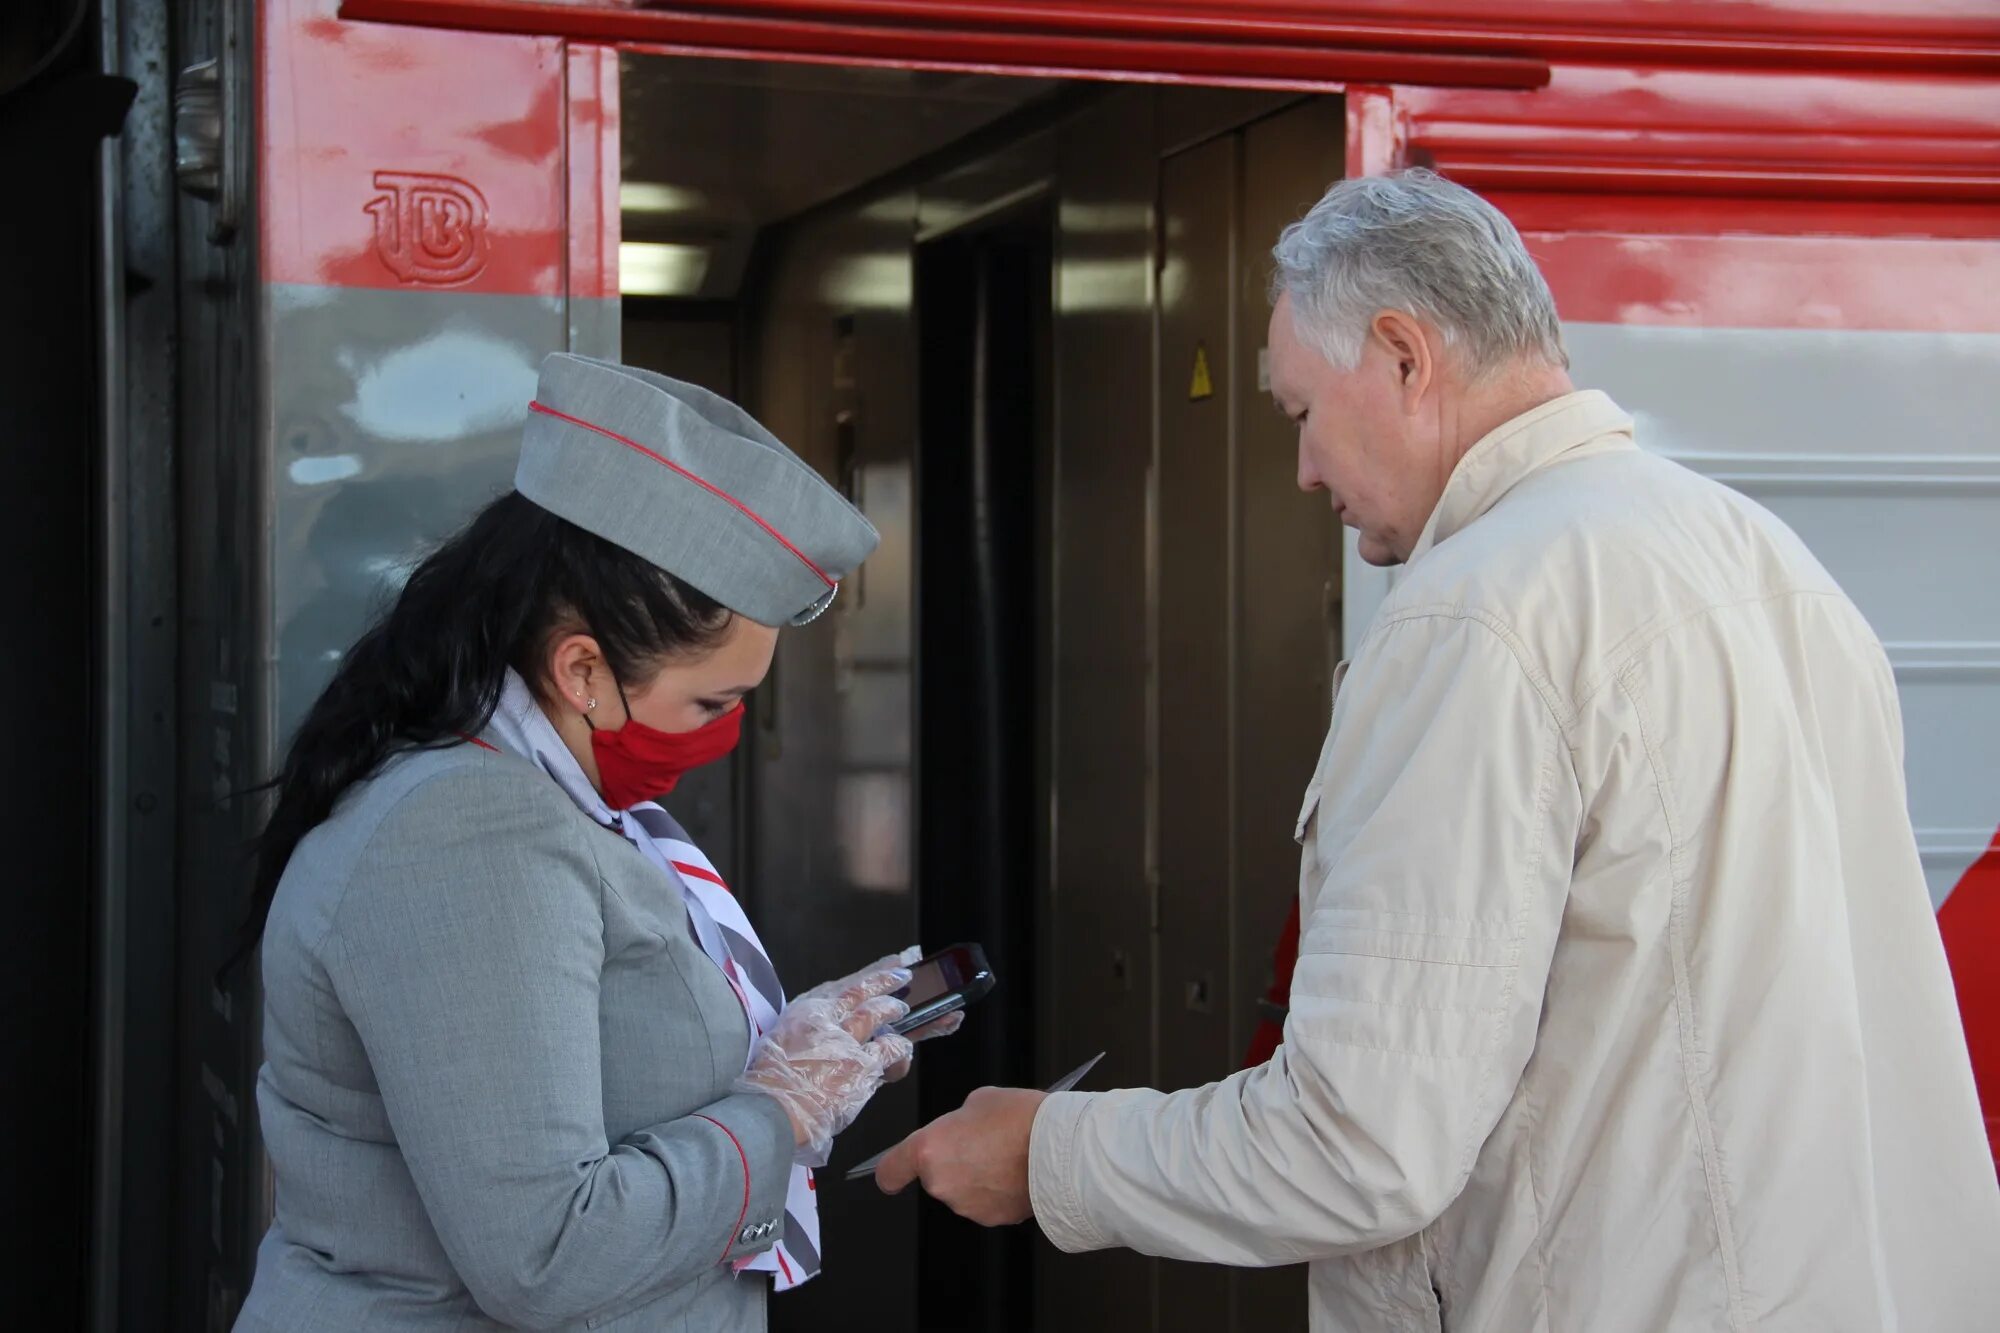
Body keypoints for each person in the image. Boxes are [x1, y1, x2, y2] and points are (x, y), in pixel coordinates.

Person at [877, 169, 2000, 1329]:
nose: (1304, 471)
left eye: (1300, 413)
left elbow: (1358, 1147)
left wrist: (1046, 1155)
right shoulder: (1764, 558)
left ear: (1404, 355)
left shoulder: (1479, 612)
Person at [236, 355, 947, 1331]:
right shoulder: (472, 839)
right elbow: (544, 1254)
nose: (722, 734)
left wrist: (785, 1047)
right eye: (711, 702)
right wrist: (779, 1113)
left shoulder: (535, 796)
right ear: (581, 669)